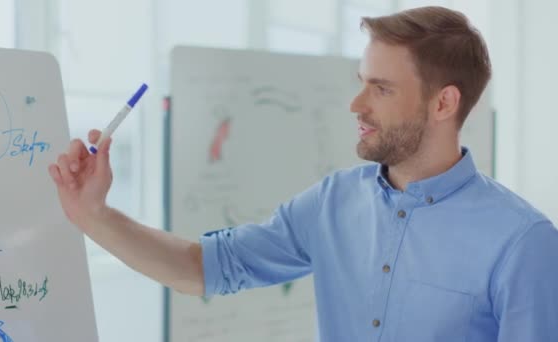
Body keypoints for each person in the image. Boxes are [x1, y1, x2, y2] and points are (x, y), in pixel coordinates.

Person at [48, 6, 558, 342]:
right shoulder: (332, 202)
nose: (355, 103)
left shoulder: (522, 242)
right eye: (362, 83)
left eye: (381, 89)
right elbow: (202, 269)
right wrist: (92, 214)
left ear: (444, 102)